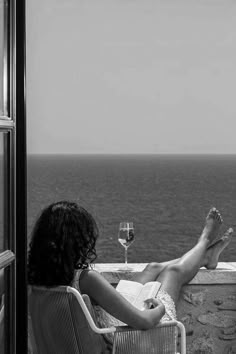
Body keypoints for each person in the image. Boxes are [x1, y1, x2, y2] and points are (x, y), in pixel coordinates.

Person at [28, 201, 233, 343]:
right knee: (172, 273)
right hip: (126, 339)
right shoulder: (86, 279)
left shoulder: (30, 276)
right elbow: (144, 322)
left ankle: (205, 257)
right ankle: (204, 241)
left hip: (112, 325)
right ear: (78, 241)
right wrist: (160, 308)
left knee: (152, 267)